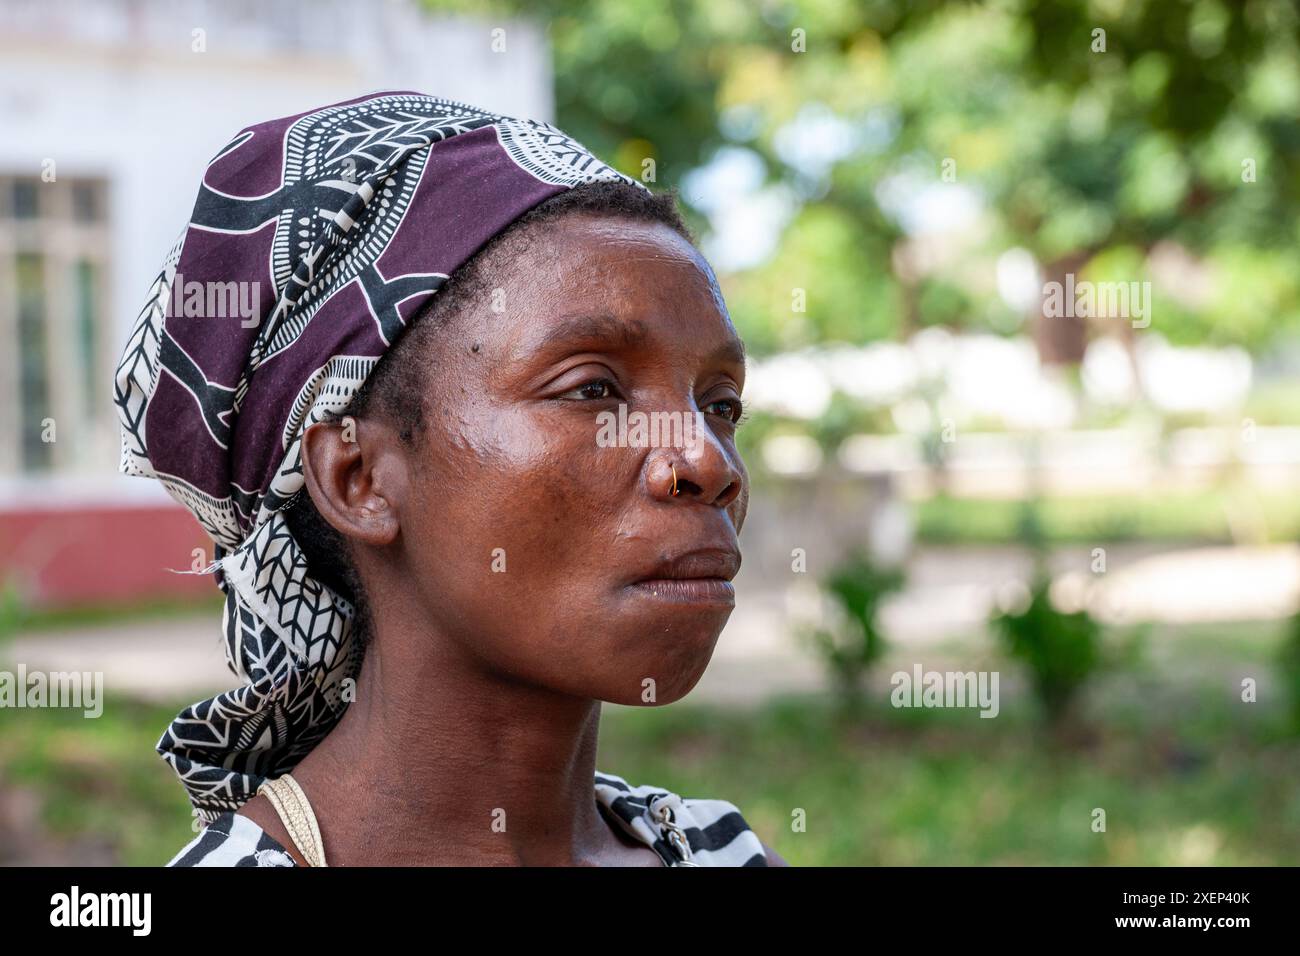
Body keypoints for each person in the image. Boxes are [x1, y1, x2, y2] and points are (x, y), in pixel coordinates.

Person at [115, 91, 786, 867]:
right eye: (593, 389)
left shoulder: (723, 854)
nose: (709, 462)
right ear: (358, 478)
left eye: (721, 405)